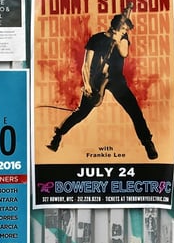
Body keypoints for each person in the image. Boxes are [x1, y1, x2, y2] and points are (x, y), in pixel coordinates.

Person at [47, 10, 157, 159]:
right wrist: (87, 84)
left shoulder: (123, 38)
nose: (125, 32)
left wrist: (117, 40)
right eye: (123, 29)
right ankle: (57, 136)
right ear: (115, 27)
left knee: (135, 111)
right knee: (81, 112)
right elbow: (86, 65)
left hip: (116, 79)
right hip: (97, 80)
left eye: (126, 30)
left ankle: (147, 143)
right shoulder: (96, 39)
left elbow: (124, 53)